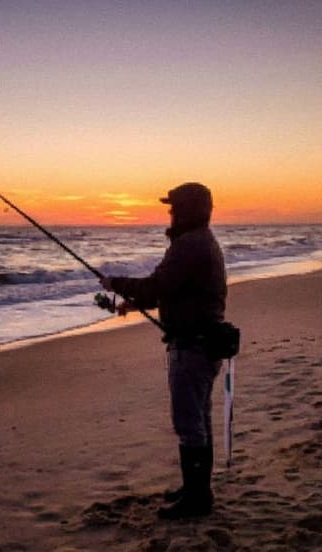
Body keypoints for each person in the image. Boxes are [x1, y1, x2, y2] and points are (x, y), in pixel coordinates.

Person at [100, 182, 226, 520]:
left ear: (188, 210)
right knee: (199, 420)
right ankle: (197, 490)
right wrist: (133, 302)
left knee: (189, 423)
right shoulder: (201, 242)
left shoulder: (189, 245)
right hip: (204, 345)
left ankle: (196, 500)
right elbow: (172, 291)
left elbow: (157, 286)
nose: (170, 212)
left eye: (174, 207)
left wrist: (115, 284)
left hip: (193, 348)